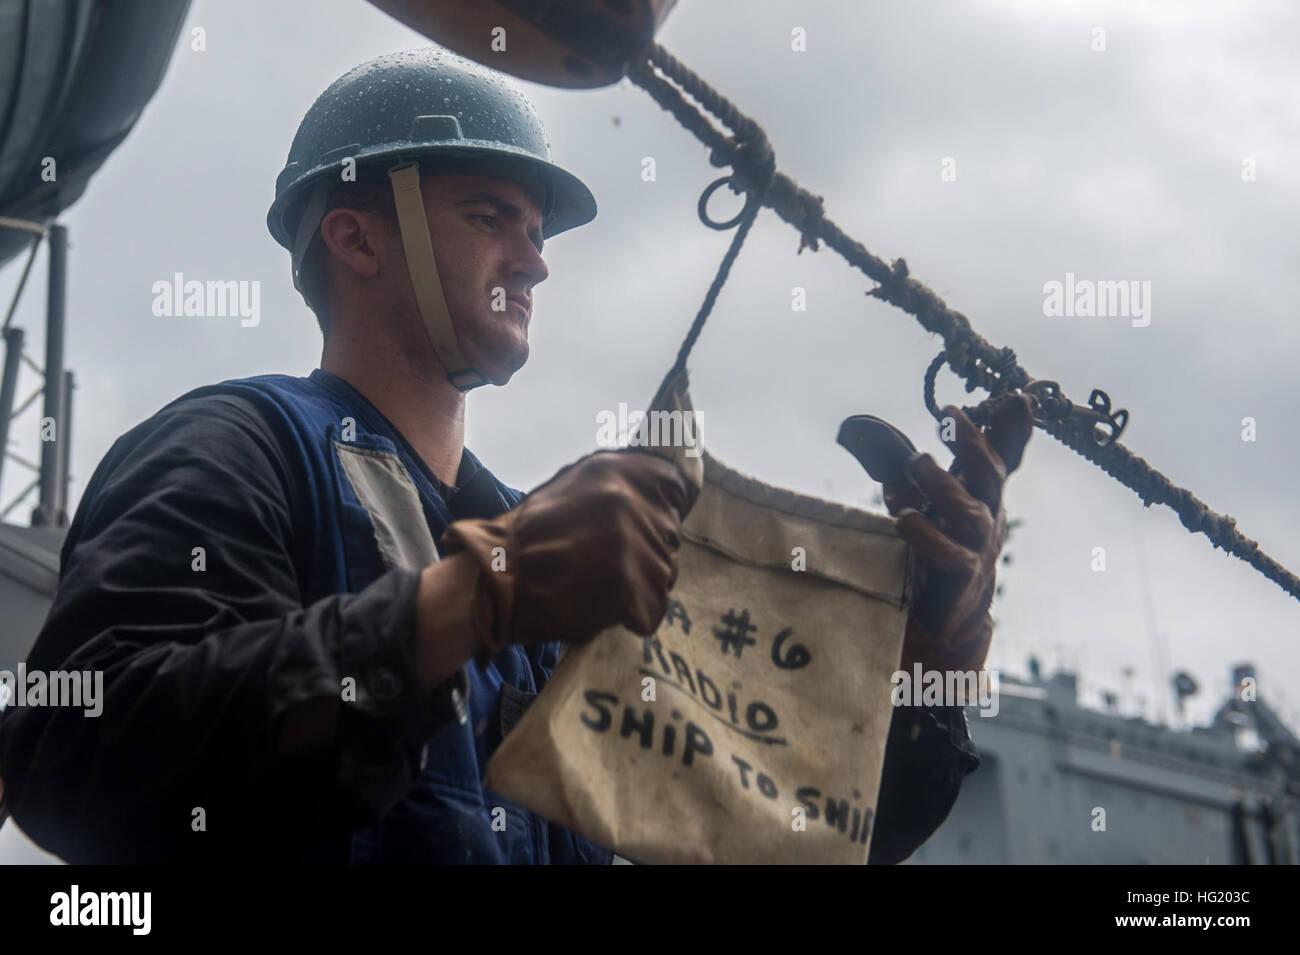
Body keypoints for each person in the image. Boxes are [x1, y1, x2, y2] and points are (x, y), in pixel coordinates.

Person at [0, 49, 1031, 864]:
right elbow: (75, 755)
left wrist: (935, 665)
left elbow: (782, 832)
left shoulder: (560, 559)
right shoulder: (239, 450)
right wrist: (477, 598)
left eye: (536, 229)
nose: (535, 257)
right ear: (357, 241)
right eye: (491, 216)